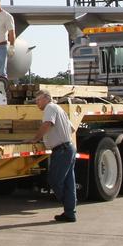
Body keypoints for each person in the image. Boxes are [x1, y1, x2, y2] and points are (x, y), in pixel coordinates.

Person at [33, 90, 76, 222]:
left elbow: (48, 124)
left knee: (55, 181)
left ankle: (68, 205)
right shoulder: (59, 109)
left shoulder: (50, 107)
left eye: (38, 100)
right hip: (68, 147)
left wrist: (35, 139)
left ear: (46, 98)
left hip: (61, 150)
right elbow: (72, 129)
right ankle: (70, 212)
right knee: (69, 182)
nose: (37, 103)